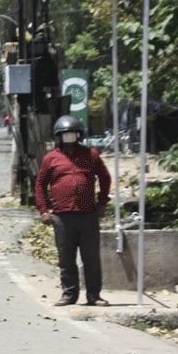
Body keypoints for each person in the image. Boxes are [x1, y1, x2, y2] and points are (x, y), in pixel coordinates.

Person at [35, 115, 112, 307]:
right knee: (66, 258)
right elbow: (40, 185)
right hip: (62, 216)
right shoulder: (50, 158)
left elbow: (105, 178)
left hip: (88, 215)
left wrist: (102, 203)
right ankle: (69, 294)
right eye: (65, 135)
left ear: (79, 135)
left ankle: (94, 295)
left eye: (73, 134)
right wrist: (44, 210)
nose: (69, 138)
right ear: (58, 137)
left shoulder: (91, 155)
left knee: (91, 258)